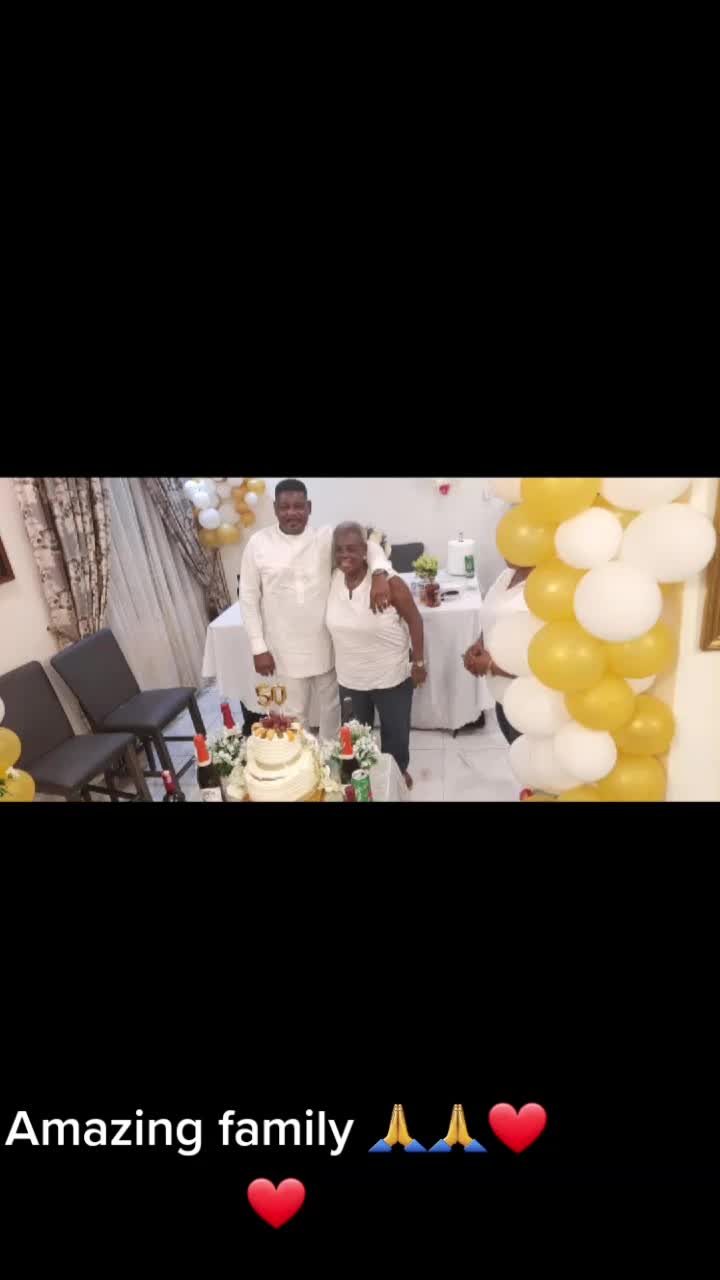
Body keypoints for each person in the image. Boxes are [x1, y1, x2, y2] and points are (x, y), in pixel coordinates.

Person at [240, 480, 394, 741]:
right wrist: (258, 647)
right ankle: (302, 760)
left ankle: (331, 755)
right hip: (282, 649)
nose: (292, 513)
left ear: (309, 507)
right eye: (285, 507)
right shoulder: (258, 543)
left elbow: (370, 544)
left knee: (333, 708)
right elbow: (247, 597)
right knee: (293, 713)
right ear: (275, 509)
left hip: (326, 644)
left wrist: (379, 572)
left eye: (298, 506)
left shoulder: (325, 539)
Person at [326, 523, 426, 789]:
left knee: (395, 735)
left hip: (391, 676)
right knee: (355, 738)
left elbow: (415, 620)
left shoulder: (390, 582)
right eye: (339, 550)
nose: (344, 555)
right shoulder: (333, 577)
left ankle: (397, 776)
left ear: (365, 551)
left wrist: (419, 663)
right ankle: (363, 778)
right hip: (350, 679)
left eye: (352, 549)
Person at [463, 560, 532, 745]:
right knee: (515, 751)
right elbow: (494, 617)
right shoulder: (507, 575)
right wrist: (479, 643)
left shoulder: (546, 586)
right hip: (502, 694)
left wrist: (491, 665)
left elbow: (545, 662)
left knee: (528, 757)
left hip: (529, 701)